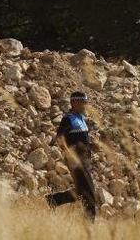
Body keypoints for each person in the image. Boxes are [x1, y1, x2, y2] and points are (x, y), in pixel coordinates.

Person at [45, 91, 98, 220]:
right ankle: (90, 223)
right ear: (74, 102)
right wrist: (70, 155)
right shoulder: (68, 118)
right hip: (77, 162)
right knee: (89, 192)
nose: (85, 105)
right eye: (83, 102)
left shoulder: (80, 118)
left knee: (81, 191)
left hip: (85, 161)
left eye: (86, 102)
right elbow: (59, 138)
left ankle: (53, 200)